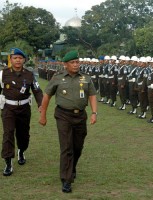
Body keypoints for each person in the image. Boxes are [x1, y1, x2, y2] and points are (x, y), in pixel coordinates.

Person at [39, 50, 97, 193]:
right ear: (66, 64)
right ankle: (66, 179)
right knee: (66, 147)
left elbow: (92, 96)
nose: (76, 64)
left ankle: (72, 167)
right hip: (63, 115)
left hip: (80, 116)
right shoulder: (57, 78)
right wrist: (43, 115)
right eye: (72, 62)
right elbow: (47, 96)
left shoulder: (86, 78)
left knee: (78, 146)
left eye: (77, 62)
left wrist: (94, 113)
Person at [0, 48, 43, 176]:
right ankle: (8, 162)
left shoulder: (29, 74)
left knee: (23, 134)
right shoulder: (3, 74)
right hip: (8, 108)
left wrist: (41, 104)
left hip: (24, 109)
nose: (18, 60)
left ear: (24, 60)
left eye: (20, 58)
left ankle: (21, 151)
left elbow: (37, 91)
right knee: (8, 134)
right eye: (15, 58)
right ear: (11, 60)